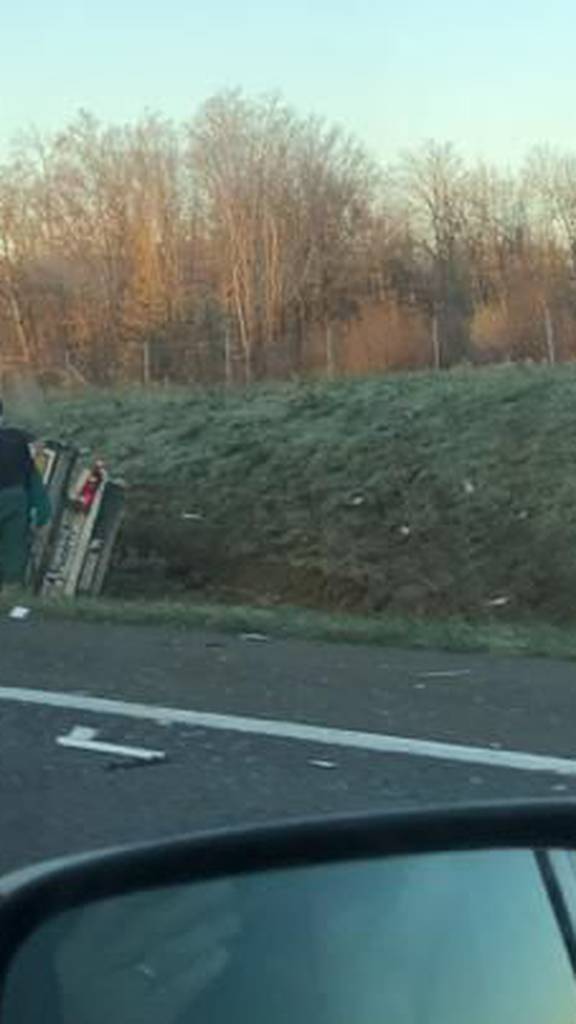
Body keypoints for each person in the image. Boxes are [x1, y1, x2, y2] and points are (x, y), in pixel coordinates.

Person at [0, 399, 51, 590]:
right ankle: (10, 593)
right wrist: (43, 515)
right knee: (14, 549)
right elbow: (33, 480)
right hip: (16, 498)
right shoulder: (17, 438)